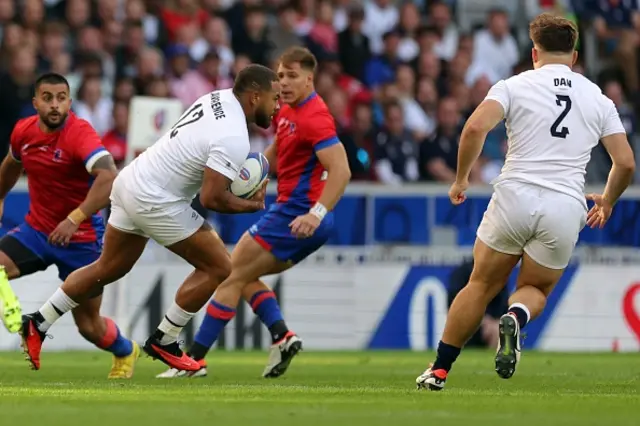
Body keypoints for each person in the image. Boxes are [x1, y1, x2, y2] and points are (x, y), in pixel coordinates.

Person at [416, 13, 636, 391]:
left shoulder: (514, 85)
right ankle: (516, 317)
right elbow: (626, 162)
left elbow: (473, 127)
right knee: (536, 289)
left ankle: (439, 370)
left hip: (514, 195)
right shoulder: (596, 97)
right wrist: (608, 201)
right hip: (566, 205)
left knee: (481, 284)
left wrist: (461, 178)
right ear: (575, 55)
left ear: (534, 53)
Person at [20, 65, 281, 373]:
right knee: (220, 266)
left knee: (108, 268)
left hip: (132, 179)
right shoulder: (235, 138)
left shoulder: (219, 97)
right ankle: (165, 338)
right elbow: (212, 198)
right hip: (155, 198)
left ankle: (37, 322)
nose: (278, 106)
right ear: (254, 96)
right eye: (274, 98)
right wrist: (252, 205)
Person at [160, 46, 351, 378]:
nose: (285, 83)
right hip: (291, 212)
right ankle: (282, 335)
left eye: (292, 76)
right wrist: (251, 175)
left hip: (298, 214)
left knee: (228, 273)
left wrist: (316, 213)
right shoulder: (288, 111)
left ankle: (194, 361)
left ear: (310, 78)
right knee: (243, 275)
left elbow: (342, 170)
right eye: (280, 75)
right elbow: (275, 155)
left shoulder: (315, 116)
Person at [0, 73, 138, 378]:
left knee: (89, 327)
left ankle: (127, 350)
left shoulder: (80, 133)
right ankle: (17, 319)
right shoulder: (23, 132)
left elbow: (108, 176)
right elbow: (11, 165)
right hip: (36, 232)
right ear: (35, 102)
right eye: (47, 97)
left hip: (83, 241)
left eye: (61, 98)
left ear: (69, 102)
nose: (54, 105)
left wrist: (74, 219)